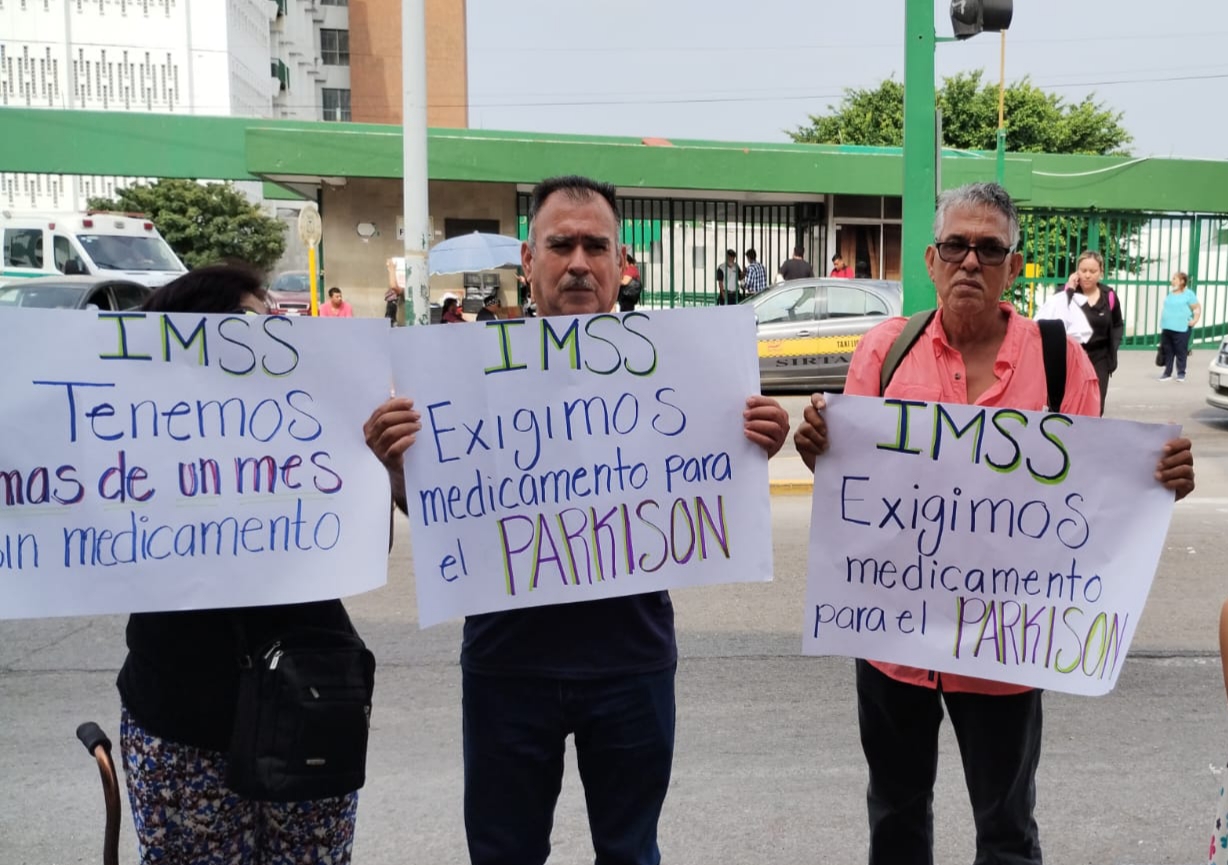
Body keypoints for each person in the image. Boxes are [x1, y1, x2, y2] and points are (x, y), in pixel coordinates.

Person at [363, 175, 790, 865]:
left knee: (630, 851)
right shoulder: (464, 376)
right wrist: (395, 466)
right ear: (528, 262)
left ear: (624, 264)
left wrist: (755, 440)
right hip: (508, 663)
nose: (579, 263)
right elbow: (445, 514)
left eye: (597, 246)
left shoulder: (681, 371)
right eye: (560, 245)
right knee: (504, 851)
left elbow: (711, 490)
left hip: (631, 661)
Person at [792, 182, 1196, 865]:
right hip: (895, 645)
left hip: (1006, 651)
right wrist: (816, 453)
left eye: (989, 248)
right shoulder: (884, 351)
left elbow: (1093, 493)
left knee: (1008, 832)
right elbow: (855, 487)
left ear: (1013, 265)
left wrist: (1157, 483)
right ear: (931, 259)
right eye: (956, 246)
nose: (970, 261)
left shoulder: (1057, 358)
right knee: (894, 820)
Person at [115, 264, 365, 865]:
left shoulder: (318, 423)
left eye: (276, 322)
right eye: (255, 324)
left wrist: (379, 462)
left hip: (312, 705)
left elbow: (364, 547)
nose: (275, 337)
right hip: (181, 719)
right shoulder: (138, 442)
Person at [1064, 250, 1123, 413]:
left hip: (1100, 358)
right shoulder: (1067, 292)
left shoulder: (1109, 295)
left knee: (1096, 406)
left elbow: (1118, 324)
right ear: (1077, 271)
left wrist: (1113, 347)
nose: (1087, 275)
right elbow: (1057, 315)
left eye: (1092, 271)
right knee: (1071, 405)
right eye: (1083, 271)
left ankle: (1092, 436)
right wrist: (1069, 288)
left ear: (1101, 272)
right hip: (1073, 357)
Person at [1158, 271, 1200, 382]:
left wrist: (1195, 320)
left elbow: (1196, 308)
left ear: (1182, 281)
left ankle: (1181, 373)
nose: (1172, 280)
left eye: (1175, 278)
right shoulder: (1170, 293)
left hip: (1181, 328)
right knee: (1168, 351)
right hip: (1167, 327)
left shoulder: (1188, 294)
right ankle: (1167, 373)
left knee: (1181, 351)